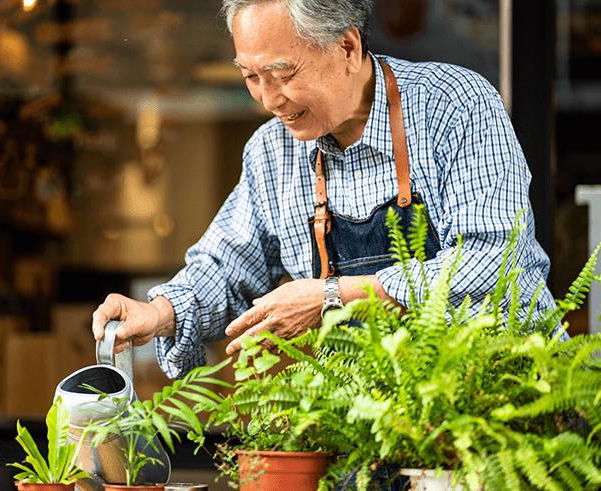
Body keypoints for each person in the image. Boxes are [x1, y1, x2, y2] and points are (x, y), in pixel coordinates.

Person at [92, 0, 560, 382]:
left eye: (283, 74)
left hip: (504, 409)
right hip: (370, 426)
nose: (269, 100)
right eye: (251, 77)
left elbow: (496, 262)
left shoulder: (455, 106)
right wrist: (158, 313)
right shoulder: (272, 152)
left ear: (348, 47)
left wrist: (332, 296)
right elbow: (226, 267)